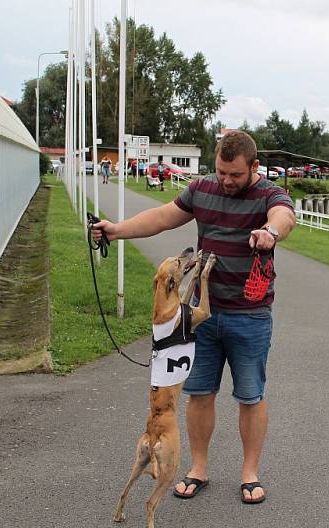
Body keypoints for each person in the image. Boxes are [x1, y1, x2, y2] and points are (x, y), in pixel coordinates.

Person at [91, 130, 296, 505]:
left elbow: (283, 216)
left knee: (250, 395)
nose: (227, 180)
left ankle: (249, 473)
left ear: (254, 167)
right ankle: (199, 468)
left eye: (235, 174)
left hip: (250, 316)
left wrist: (269, 232)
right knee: (200, 394)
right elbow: (163, 217)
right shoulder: (202, 189)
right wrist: (117, 230)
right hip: (200, 316)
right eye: (221, 172)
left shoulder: (268, 193)